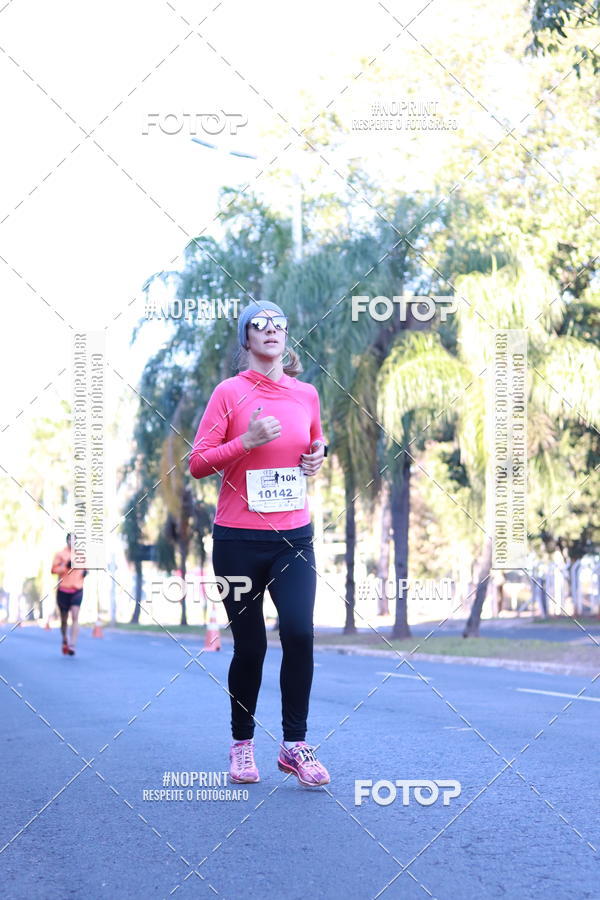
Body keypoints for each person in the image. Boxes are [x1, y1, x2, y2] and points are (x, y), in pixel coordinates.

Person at [189, 300, 330, 787]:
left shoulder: (306, 393)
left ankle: (294, 745)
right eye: (259, 324)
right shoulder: (229, 393)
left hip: (294, 537)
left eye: (279, 324)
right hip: (237, 541)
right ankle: (242, 745)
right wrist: (245, 442)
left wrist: (317, 457)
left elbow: (314, 441)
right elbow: (198, 462)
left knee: (299, 633)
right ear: (246, 339)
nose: (271, 331)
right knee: (250, 648)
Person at [51, 533, 86, 656]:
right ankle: (65, 638)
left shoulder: (81, 555)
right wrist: (66, 566)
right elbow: (54, 570)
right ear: (67, 541)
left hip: (77, 590)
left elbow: (86, 569)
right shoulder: (60, 554)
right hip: (63, 590)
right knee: (64, 620)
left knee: (75, 616)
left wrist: (85, 571)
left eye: (75, 540)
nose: (73, 542)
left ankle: (72, 644)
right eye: (70, 540)